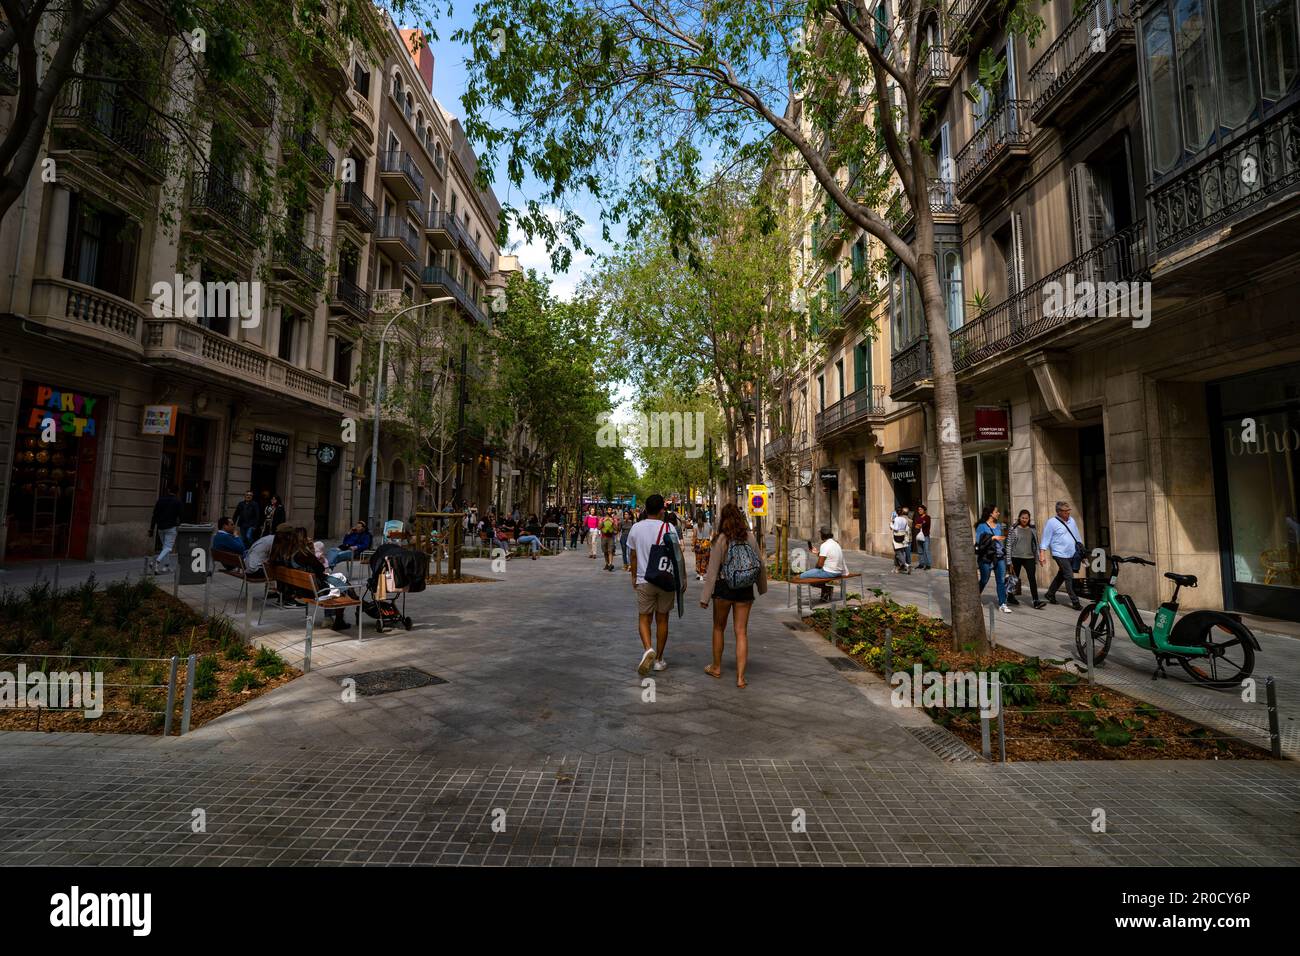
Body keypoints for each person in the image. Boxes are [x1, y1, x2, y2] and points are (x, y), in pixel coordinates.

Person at [700, 502, 767, 689]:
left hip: (724, 589)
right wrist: (761, 588)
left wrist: (705, 598)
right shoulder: (750, 538)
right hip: (745, 589)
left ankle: (716, 667)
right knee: (741, 632)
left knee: (718, 628)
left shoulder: (721, 540)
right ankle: (740, 678)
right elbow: (760, 565)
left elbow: (712, 571)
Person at [626, 494, 682, 676]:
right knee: (663, 619)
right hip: (666, 578)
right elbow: (677, 555)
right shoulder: (669, 527)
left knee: (644, 617)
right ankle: (658, 659)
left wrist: (634, 576)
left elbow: (633, 556)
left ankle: (648, 648)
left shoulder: (636, 528)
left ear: (645, 509)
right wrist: (683, 579)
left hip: (644, 579)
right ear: (661, 510)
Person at [270, 527, 351, 629]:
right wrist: (310, 551)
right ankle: (340, 619)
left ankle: (332, 618)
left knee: (338, 581)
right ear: (302, 538)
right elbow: (321, 569)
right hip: (314, 590)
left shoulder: (286, 554)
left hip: (300, 589)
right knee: (341, 584)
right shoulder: (303, 554)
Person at [1040, 500, 1085, 610]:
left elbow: (1077, 536)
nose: (1068, 513)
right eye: (1065, 511)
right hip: (1059, 553)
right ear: (1059, 511)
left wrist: (1082, 552)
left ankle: (1050, 593)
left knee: (1062, 574)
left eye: (1069, 510)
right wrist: (1042, 554)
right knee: (1069, 575)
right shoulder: (1051, 523)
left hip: (1072, 553)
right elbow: (1045, 539)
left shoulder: (1071, 521)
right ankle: (1075, 601)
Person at [1006, 510, 1046, 609]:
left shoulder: (1032, 529)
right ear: (1019, 518)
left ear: (1029, 519)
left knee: (1032, 578)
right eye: (1023, 518)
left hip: (1029, 557)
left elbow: (1036, 544)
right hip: (1016, 557)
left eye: (1026, 518)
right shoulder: (1014, 528)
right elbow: (1009, 545)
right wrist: (1008, 560)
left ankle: (1036, 601)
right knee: (1014, 579)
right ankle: (1010, 597)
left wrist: (1039, 557)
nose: (1024, 520)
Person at [975, 504, 1011, 613]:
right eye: (996, 511)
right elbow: (979, 541)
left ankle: (1002, 604)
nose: (998, 513)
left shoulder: (999, 526)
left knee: (1000, 580)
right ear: (991, 513)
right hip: (986, 557)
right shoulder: (982, 526)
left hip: (999, 556)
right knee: (984, 579)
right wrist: (993, 537)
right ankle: (975, 598)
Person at [799, 526, 846, 602]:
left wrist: (815, 570)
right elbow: (829, 556)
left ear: (823, 535)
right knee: (815, 574)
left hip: (830, 572)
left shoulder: (824, 545)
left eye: (820, 534)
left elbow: (820, 565)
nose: (820, 535)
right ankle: (825, 592)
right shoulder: (836, 543)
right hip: (839, 571)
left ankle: (826, 589)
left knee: (802, 576)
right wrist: (817, 553)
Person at [147, 485, 183, 575]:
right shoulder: (178, 502)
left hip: (160, 527)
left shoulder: (160, 500)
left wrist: (151, 528)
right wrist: (180, 525)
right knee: (168, 547)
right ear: (177, 492)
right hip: (171, 527)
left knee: (165, 547)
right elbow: (181, 515)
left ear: (168, 490)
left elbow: (154, 515)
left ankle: (166, 566)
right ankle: (156, 562)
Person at [891, 506, 912, 574]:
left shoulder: (896, 519)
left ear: (896, 512)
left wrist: (891, 525)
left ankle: (906, 565)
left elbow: (896, 528)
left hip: (896, 537)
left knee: (898, 553)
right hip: (902, 537)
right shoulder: (904, 519)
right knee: (899, 553)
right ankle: (896, 567)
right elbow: (906, 529)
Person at [913, 504, 932, 570]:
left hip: (925, 536)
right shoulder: (918, 518)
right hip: (918, 536)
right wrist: (920, 524)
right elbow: (916, 526)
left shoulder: (927, 517)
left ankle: (928, 565)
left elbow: (924, 524)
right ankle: (921, 564)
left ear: (924, 510)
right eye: (918, 510)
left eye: (921, 509)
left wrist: (920, 524)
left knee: (926, 551)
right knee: (920, 551)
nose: (919, 511)